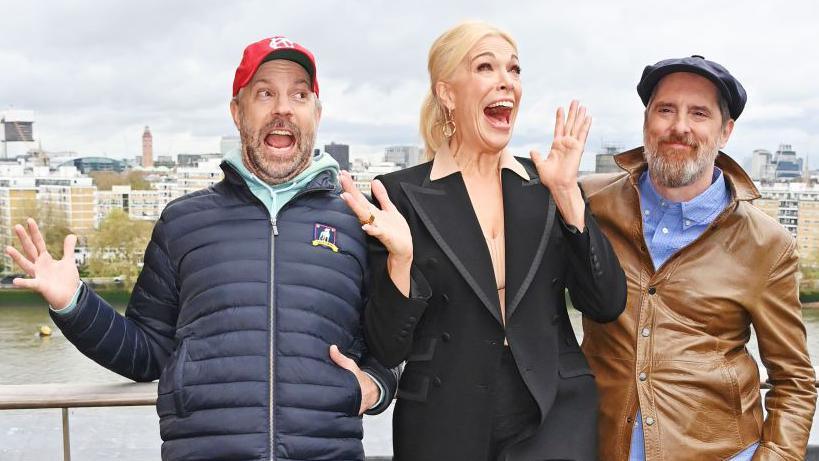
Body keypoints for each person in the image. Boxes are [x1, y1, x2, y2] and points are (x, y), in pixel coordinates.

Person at [5, 36, 398, 461]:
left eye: (299, 95)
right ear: (237, 112)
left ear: (316, 114)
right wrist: (73, 303)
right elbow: (145, 353)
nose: (283, 108)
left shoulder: (361, 222)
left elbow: (393, 341)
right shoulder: (183, 222)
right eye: (265, 93)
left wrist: (376, 386)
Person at [339, 22, 627, 461]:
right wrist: (401, 260)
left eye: (514, 69)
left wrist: (570, 197)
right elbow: (388, 346)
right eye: (485, 67)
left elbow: (606, 303)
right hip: (442, 420)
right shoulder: (396, 194)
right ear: (447, 93)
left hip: (553, 413)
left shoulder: (549, 185)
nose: (506, 81)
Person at [579, 55, 817, 460]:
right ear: (646, 121)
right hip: (598, 446)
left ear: (725, 132)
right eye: (665, 110)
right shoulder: (590, 203)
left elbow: (793, 380)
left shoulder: (766, 244)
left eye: (699, 113)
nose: (679, 126)